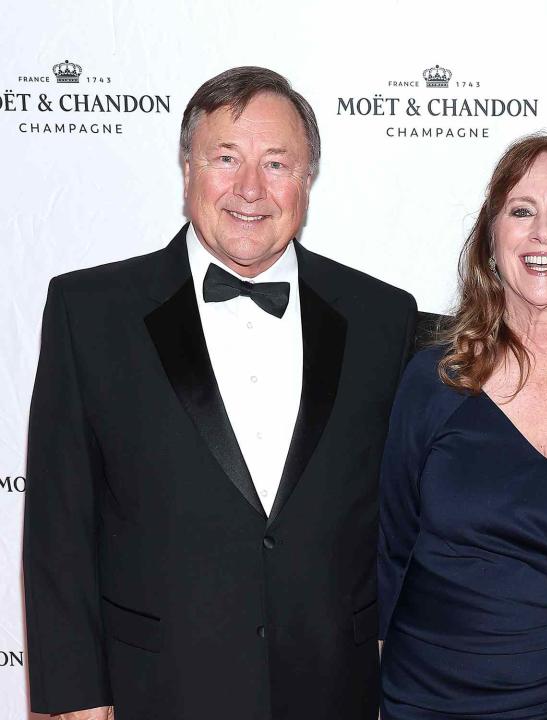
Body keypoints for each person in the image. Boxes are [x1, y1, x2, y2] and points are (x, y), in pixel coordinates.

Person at [23, 66, 417, 720]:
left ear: (308, 180)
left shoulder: (383, 318)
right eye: (225, 159)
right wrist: (74, 697)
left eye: (278, 163)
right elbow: (60, 525)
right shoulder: (89, 311)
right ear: (186, 171)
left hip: (332, 691)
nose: (250, 189)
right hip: (156, 692)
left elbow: (400, 513)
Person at [378, 133, 547, 719]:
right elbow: (390, 548)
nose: (542, 232)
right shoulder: (432, 381)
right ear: (491, 244)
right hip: (430, 696)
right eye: (521, 211)